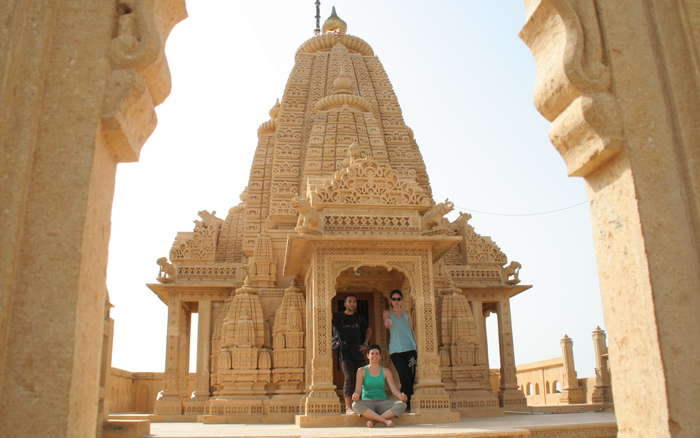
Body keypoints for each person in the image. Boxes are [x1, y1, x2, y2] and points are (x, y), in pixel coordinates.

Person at [332, 295, 372, 415]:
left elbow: (369, 329)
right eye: (349, 301)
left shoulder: (360, 318)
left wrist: (365, 344)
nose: (352, 303)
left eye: (354, 301)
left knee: (362, 377)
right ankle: (348, 407)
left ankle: (361, 405)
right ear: (345, 304)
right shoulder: (338, 316)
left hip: (358, 351)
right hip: (344, 351)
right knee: (349, 377)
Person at [351, 345, 407, 427]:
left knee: (402, 405)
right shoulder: (361, 371)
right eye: (372, 353)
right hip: (367, 403)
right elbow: (358, 390)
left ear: (380, 356)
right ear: (368, 356)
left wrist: (401, 396)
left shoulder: (386, 371)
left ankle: (374, 421)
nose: (374, 356)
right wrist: (355, 395)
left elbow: (394, 390)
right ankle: (385, 421)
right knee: (355, 405)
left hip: (383, 402)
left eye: (377, 354)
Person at [383, 289, 417, 411]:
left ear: (401, 300)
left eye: (398, 299)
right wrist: (387, 322)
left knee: (411, 376)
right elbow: (386, 323)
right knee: (404, 375)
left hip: (410, 349)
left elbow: (411, 330)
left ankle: (407, 402)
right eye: (394, 299)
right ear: (391, 301)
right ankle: (405, 402)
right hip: (396, 350)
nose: (396, 301)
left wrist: (416, 345)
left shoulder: (407, 313)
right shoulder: (387, 313)